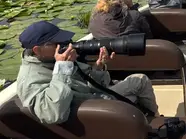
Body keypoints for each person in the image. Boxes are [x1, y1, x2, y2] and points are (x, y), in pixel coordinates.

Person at [16, 20, 160, 126]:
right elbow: (53, 114)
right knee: (135, 92)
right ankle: (145, 127)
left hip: (95, 97)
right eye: (56, 43)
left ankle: (155, 120)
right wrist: (63, 68)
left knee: (140, 80)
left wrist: (99, 66)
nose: (65, 45)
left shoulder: (54, 59)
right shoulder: (30, 79)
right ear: (36, 50)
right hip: (91, 116)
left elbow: (94, 84)